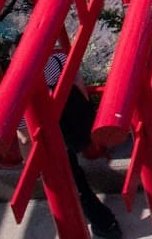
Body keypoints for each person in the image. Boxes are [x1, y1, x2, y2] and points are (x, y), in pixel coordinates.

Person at [45, 51, 123, 238]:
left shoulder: (22, 74)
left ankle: (105, 224)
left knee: (73, 182)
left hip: (53, 132)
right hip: (73, 120)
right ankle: (105, 224)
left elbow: (23, 128)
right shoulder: (58, 58)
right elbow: (79, 85)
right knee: (75, 177)